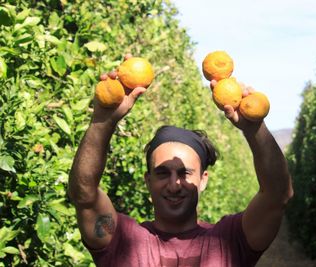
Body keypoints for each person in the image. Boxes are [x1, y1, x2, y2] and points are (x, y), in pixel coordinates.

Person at [68, 54, 294, 267]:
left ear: (203, 179)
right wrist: (102, 121)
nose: (174, 184)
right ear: (148, 180)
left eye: (184, 173)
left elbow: (277, 195)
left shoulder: (229, 241)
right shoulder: (123, 240)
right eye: (163, 172)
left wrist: (255, 128)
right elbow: (84, 194)